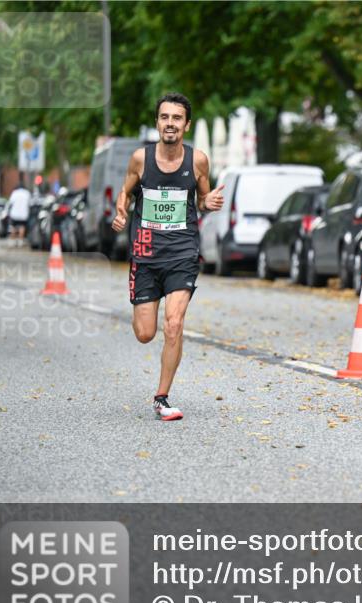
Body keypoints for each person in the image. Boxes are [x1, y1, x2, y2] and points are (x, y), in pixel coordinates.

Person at [111, 92, 224, 421]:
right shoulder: (140, 159)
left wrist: (209, 204)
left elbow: (202, 200)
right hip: (146, 253)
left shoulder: (197, 160)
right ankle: (145, 306)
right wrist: (121, 212)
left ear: (186, 125)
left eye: (176, 118)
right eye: (164, 117)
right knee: (145, 333)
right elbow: (125, 192)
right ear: (158, 122)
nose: (170, 123)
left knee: (174, 324)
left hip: (182, 253)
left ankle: (162, 398)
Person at [8, 180, 31, 246]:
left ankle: (12, 241)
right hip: (23, 213)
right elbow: (29, 203)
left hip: (14, 213)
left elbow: (11, 202)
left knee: (13, 227)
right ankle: (20, 241)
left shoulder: (14, 193)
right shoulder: (27, 193)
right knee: (22, 227)